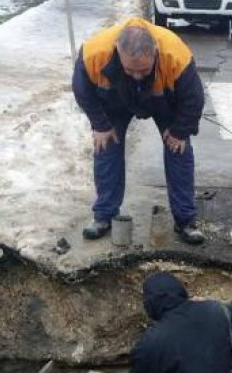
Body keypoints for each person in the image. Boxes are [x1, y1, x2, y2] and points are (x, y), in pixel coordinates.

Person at [72, 18, 206, 245]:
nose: (136, 75)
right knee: (106, 148)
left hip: (162, 98)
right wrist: (101, 125)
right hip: (115, 99)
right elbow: (82, 89)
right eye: (129, 69)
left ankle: (185, 220)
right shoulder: (95, 53)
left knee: (179, 150)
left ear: (155, 52)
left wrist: (180, 131)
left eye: (143, 70)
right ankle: (104, 215)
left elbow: (193, 98)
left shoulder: (175, 54)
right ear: (117, 50)